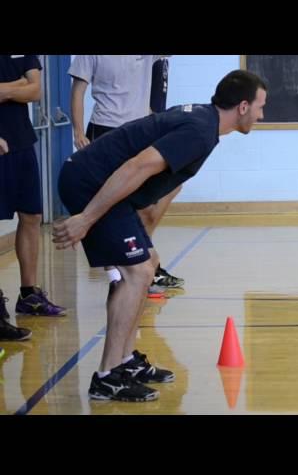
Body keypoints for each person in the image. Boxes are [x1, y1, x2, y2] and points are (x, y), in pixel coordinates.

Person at [53, 69, 267, 402]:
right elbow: (136, 167)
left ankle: (124, 361)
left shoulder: (203, 121)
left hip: (106, 187)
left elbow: (153, 179)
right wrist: (87, 219)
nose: (261, 114)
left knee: (148, 263)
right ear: (242, 106)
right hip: (89, 182)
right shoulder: (199, 130)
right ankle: (108, 377)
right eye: (259, 106)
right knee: (136, 272)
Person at [68, 55, 183, 296]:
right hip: (105, 129)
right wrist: (78, 132)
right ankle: (118, 275)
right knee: (110, 203)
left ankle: (143, 261)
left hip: (140, 130)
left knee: (165, 190)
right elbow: (78, 91)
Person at [0, 55, 66, 316]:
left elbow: (36, 90)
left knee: (31, 216)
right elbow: (26, 88)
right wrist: (17, 86)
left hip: (22, 143)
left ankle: (29, 295)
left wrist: (4, 90)